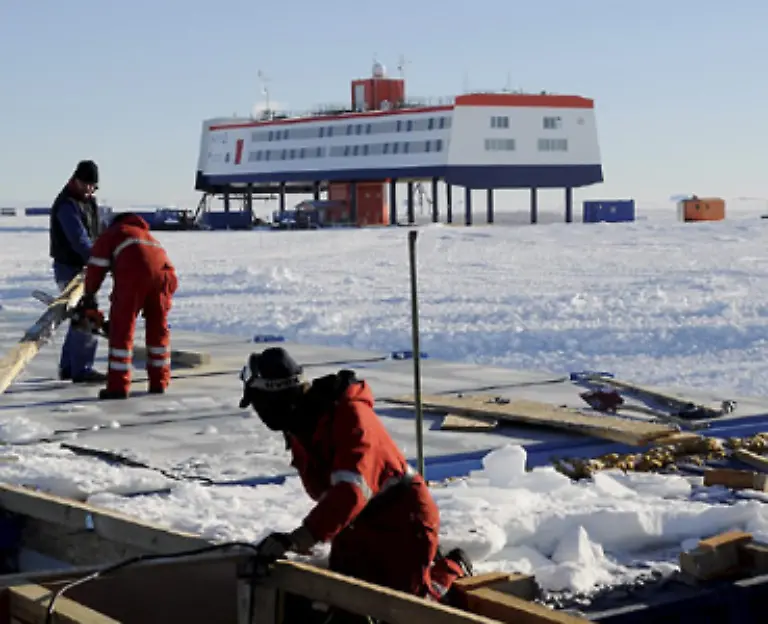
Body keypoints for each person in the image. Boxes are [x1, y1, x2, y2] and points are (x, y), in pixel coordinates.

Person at [238, 347, 472, 612]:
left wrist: (299, 538)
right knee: (346, 602)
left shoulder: (350, 415)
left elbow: (351, 491)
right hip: (356, 523)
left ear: (274, 399)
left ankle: (452, 570)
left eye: (258, 403)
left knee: (408, 610)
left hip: (401, 520)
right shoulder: (300, 424)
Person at [81, 212, 178, 400]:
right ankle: (159, 382)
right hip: (165, 278)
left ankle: (118, 386)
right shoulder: (148, 236)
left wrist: (89, 294)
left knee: (122, 330)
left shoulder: (115, 232)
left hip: (135, 275)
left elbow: (96, 267)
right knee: (158, 330)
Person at [49, 160, 106, 383]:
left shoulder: (90, 203)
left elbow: (96, 234)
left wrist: (102, 253)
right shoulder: (67, 204)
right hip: (69, 267)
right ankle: (81, 369)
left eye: (93, 186)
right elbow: (79, 239)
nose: (89, 189)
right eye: (85, 184)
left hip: (86, 267)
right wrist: (97, 261)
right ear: (75, 179)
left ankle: (69, 367)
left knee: (78, 316)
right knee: (87, 314)